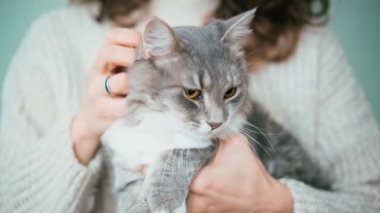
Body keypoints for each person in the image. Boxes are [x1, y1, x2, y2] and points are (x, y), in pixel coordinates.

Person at [0, 0, 379, 212]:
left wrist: (280, 203)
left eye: (229, 94)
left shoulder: (313, 47)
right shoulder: (53, 38)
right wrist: (83, 130)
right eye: (194, 94)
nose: (217, 120)